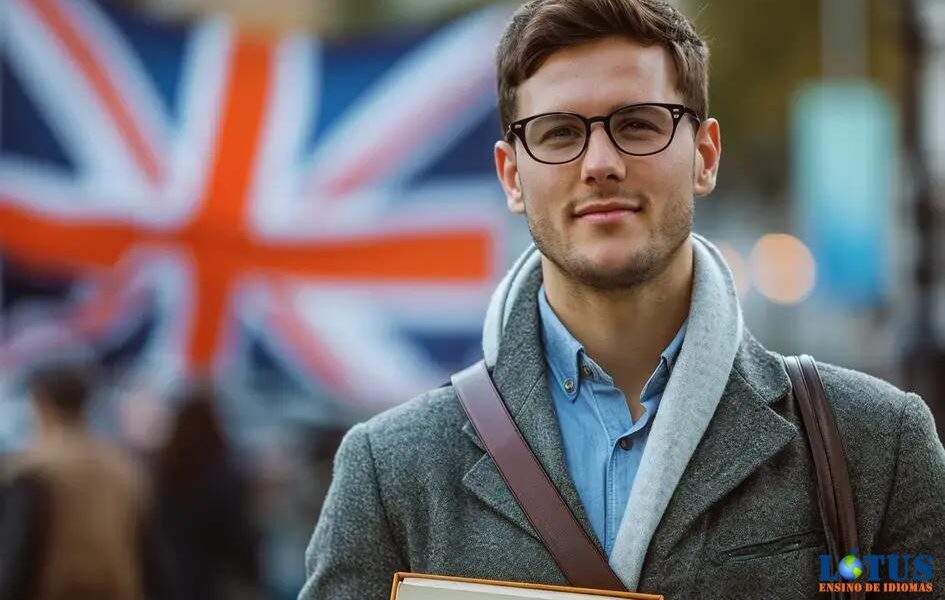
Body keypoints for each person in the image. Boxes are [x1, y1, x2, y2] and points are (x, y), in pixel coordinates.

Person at [298, 1, 945, 598]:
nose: (600, 161)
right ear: (509, 174)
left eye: (638, 124)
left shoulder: (874, 446)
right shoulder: (390, 473)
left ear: (704, 155)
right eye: (557, 133)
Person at [0, 362, 171, 600]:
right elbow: (149, 556)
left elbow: (17, 557)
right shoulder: (123, 468)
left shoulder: (33, 468)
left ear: (41, 403)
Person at [153, 383, 263, 600]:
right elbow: (238, 534)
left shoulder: (166, 471)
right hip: (215, 582)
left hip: (171, 579)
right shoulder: (223, 474)